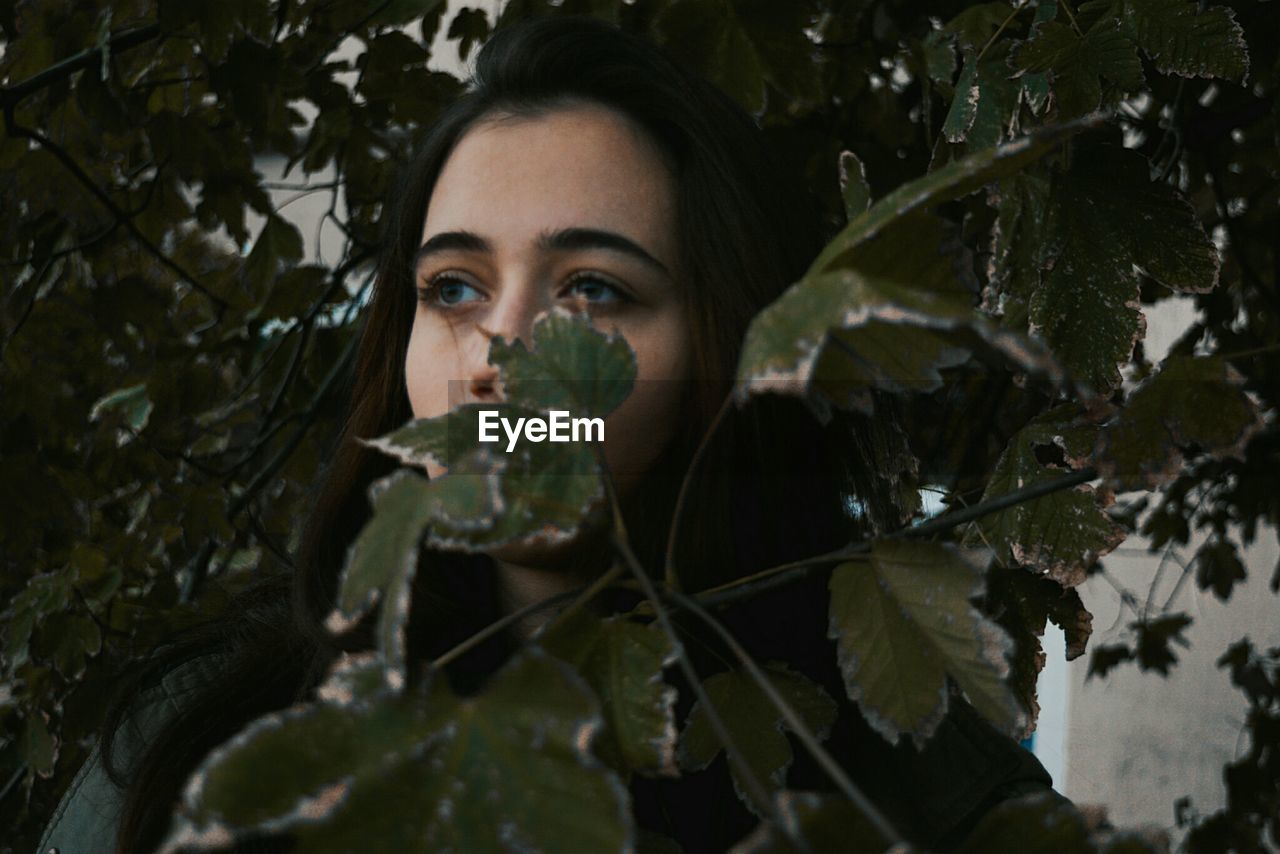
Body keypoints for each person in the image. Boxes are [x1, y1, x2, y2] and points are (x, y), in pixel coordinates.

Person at [39, 15, 1059, 854]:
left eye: (594, 289)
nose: (499, 352)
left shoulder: (910, 773)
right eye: (452, 287)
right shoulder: (193, 740)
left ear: (736, 353)